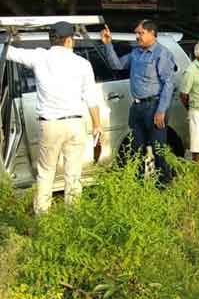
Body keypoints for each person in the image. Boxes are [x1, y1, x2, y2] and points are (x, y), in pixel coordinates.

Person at [5, 21, 102, 213]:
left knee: (46, 173)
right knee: (73, 174)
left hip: (50, 125)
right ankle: (73, 217)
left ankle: (43, 218)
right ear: (68, 40)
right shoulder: (82, 64)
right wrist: (97, 125)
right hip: (75, 124)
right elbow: (92, 98)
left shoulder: (40, 56)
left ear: (53, 39)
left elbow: (7, 52)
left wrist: (6, 36)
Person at [101, 20, 176, 184]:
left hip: (154, 106)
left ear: (152, 34)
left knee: (158, 150)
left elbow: (168, 84)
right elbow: (117, 65)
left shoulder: (162, 54)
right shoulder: (136, 53)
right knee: (135, 149)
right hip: (137, 107)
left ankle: (165, 185)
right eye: (136, 33)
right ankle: (139, 185)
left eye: (140, 33)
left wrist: (161, 110)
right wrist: (108, 44)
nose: (137, 37)